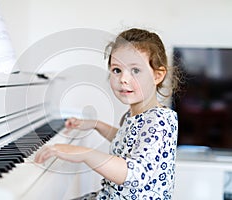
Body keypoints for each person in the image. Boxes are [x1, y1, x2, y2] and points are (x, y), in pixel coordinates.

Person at [34, 28, 180, 200]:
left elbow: (134, 174)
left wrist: (83, 153)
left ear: (157, 75)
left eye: (135, 70)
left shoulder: (159, 120)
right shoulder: (136, 115)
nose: (123, 79)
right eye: (117, 70)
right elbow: (125, 141)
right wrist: (95, 124)